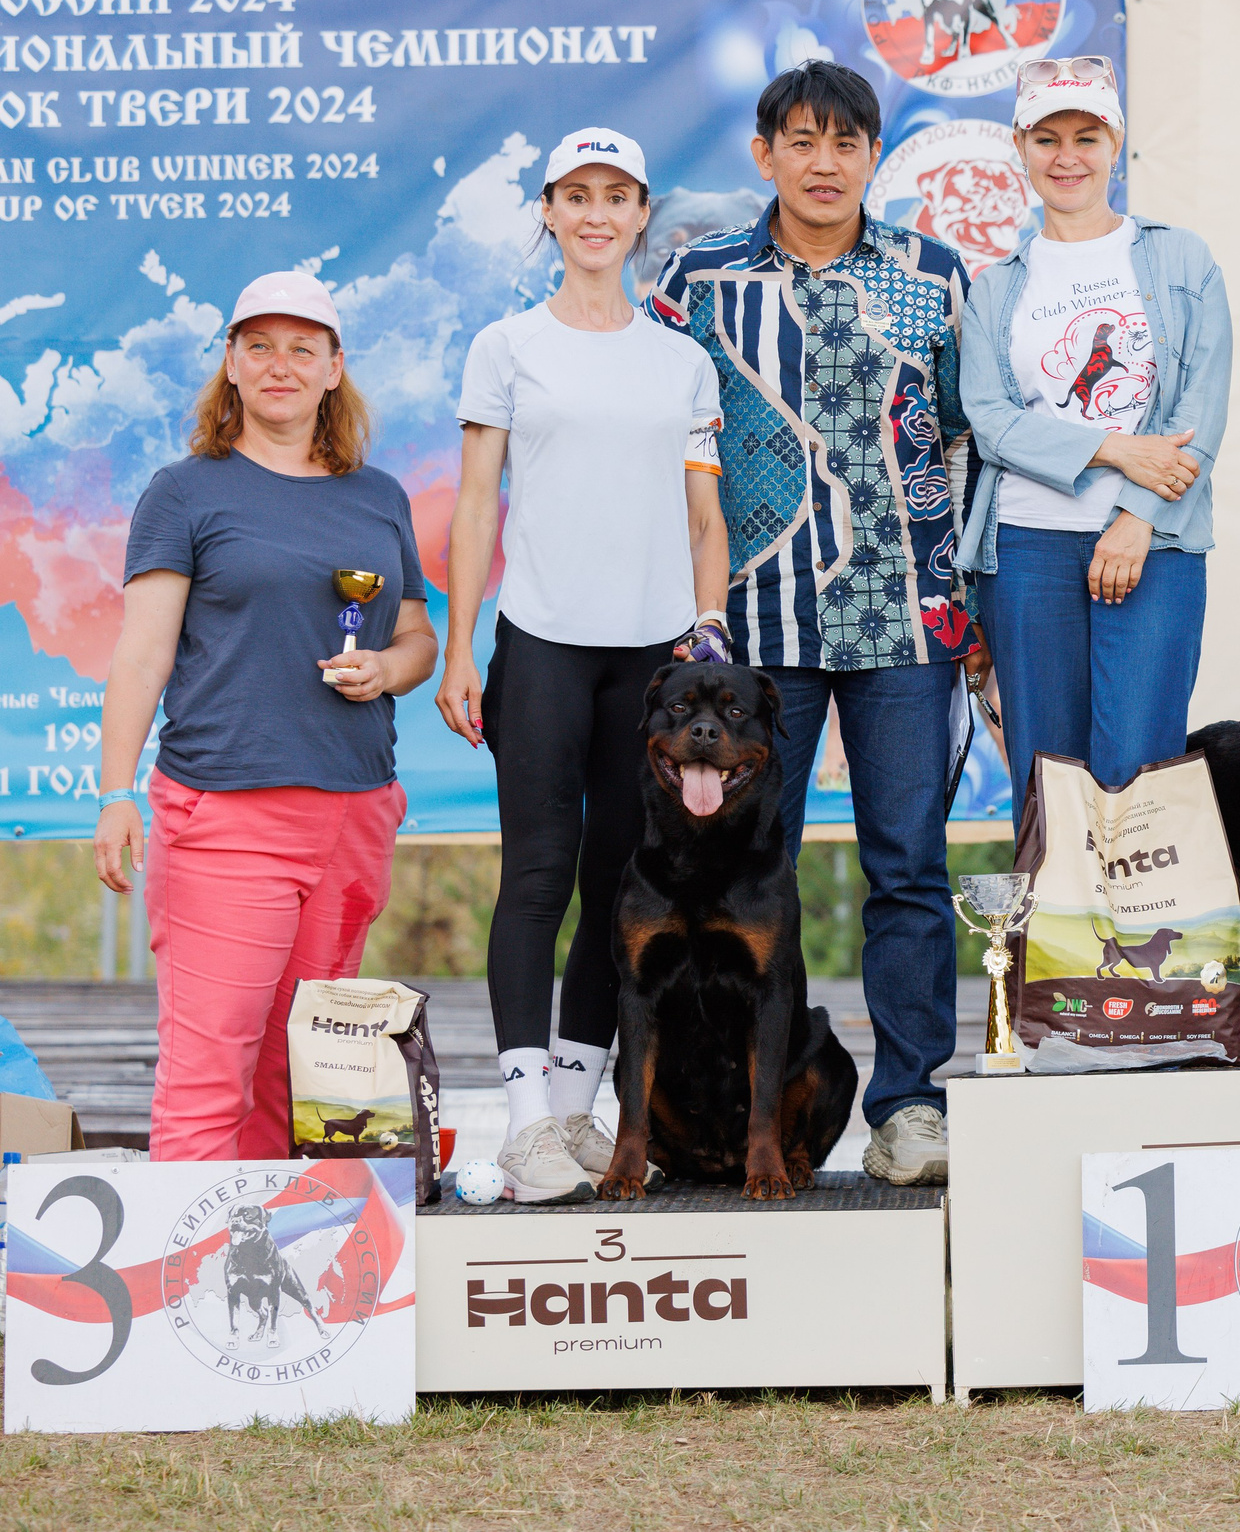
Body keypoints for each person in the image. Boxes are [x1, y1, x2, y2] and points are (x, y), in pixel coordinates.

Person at [651, 61, 982, 1187]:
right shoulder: (697, 281)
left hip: (904, 612)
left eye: (846, 143)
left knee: (908, 867)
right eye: (801, 141)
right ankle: (720, 1113)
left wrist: (964, 589)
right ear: (765, 155)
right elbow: (662, 436)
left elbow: (967, 434)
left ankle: (908, 1107)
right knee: (746, 873)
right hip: (751, 633)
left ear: (873, 156)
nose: (824, 163)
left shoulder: (934, 275)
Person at [436, 128, 731, 1205]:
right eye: (576, 197)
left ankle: (573, 1114)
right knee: (537, 880)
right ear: (550, 214)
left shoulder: (681, 359)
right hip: (543, 645)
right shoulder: (506, 345)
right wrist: (463, 642)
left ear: (642, 214)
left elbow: (706, 516)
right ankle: (522, 1127)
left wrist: (706, 626)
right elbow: (477, 505)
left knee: (621, 891)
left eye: (617, 196)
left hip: (654, 662)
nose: (597, 215)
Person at [93, 271, 437, 1161]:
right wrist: (114, 791)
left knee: (311, 1079)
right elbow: (141, 652)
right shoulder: (185, 492)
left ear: (334, 368)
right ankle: (189, 1290)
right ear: (232, 367)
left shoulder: (378, 495)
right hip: (227, 813)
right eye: (259, 346)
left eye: (301, 347)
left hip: (357, 812)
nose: (279, 364)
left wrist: (386, 670)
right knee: (213, 1075)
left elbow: (415, 636)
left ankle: (291, 1286)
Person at [956, 56, 1229, 817]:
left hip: (1155, 545)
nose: (1067, 156)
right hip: (1028, 549)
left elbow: (1199, 408)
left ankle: (1141, 941)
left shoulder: (1182, 259)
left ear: (1116, 142)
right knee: (1049, 782)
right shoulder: (996, 285)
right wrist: (1112, 448)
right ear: (1021, 146)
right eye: (1047, 138)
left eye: (1086, 136)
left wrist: (1139, 514)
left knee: (1139, 778)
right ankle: (1047, 939)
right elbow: (990, 417)